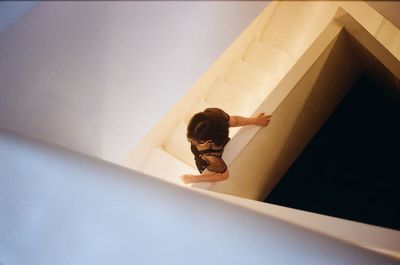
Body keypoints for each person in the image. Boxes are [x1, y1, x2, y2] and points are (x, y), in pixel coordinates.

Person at [181, 108, 271, 184]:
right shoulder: (213, 117)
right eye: (189, 134)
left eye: (199, 141)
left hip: (210, 152)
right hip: (208, 156)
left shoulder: (210, 156)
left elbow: (224, 176)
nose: (191, 141)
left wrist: (255, 121)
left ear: (210, 139)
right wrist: (194, 178)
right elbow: (234, 121)